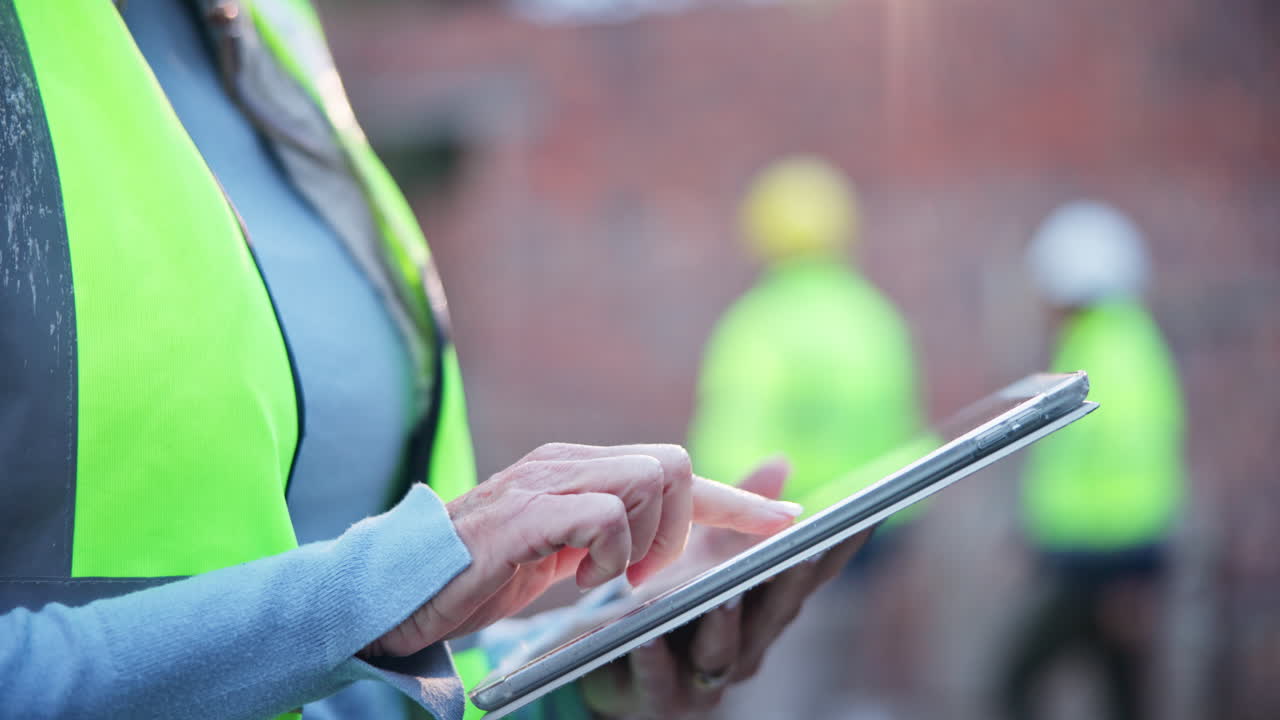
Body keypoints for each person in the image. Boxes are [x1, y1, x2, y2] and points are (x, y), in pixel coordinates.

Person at [0, 2, 868, 718]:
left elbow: (343, 678)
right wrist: (383, 589)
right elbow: (360, 612)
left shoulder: (270, 29)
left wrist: (557, 680)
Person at [687, 157, 927, 719]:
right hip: (873, 535)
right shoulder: (876, 319)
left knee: (780, 688)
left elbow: (732, 447)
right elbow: (905, 432)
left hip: (785, 537)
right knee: (846, 683)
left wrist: (709, 537)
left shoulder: (760, 324)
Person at [1001, 201, 1186, 720]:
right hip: (1097, 563)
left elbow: (1131, 468)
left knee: (1019, 679)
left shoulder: (1108, 353)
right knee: (1119, 693)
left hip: (1102, 568)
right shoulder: (1115, 343)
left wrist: (1130, 574)